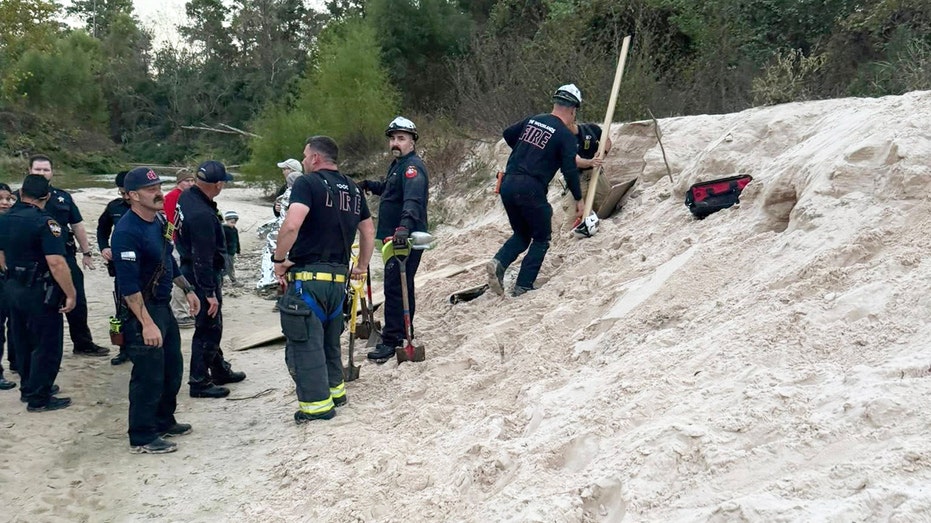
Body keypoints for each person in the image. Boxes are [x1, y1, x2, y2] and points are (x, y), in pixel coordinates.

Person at [273, 136, 374, 423]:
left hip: (308, 280)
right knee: (330, 342)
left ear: (316, 158)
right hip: (338, 283)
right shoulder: (353, 189)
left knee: (306, 346)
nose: (304, 161)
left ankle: (316, 408)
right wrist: (362, 266)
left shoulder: (307, 184)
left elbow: (291, 225)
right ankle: (336, 393)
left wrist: (279, 261)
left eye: (305, 156)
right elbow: (368, 231)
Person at [112, 167, 201, 454]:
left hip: (162, 306)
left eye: (159, 187)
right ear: (133, 195)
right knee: (148, 375)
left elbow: (168, 262)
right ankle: (142, 436)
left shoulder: (159, 220)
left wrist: (187, 289)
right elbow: (128, 286)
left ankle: (164, 420)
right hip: (141, 311)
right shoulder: (126, 232)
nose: (158, 193)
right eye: (151, 189)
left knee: (172, 368)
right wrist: (146, 323)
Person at [486, 84, 584, 297]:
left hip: (507, 183)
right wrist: (579, 198)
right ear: (573, 109)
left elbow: (508, 134)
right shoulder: (565, 135)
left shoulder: (533, 120)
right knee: (542, 237)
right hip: (531, 187)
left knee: (522, 234)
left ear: (555, 103)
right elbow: (569, 170)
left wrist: (528, 150)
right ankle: (523, 285)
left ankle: (498, 262)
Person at [0, 175, 76, 411]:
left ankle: (28, 388)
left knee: (22, 340)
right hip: (39, 289)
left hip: (13, 286)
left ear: (21, 193)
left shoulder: (5, 218)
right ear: (47, 196)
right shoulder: (46, 223)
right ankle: (39, 397)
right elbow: (56, 263)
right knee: (46, 344)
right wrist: (70, 293)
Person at [358, 117, 429, 364]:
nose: (395, 143)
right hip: (394, 237)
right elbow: (391, 190)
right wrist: (369, 185)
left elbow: (413, 200)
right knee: (399, 285)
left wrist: (403, 228)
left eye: (401, 138)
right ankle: (402, 332)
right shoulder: (398, 165)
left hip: (403, 238)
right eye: (392, 138)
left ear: (412, 141)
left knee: (396, 287)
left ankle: (392, 340)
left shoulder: (412, 168)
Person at [175, 160, 246, 398]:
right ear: (217, 184)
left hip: (191, 266)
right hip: (201, 273)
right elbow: (202, 257)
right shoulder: (201, 214)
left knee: (212, 324)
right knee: (208, 327)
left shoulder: (188, 196)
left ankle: (218, 368)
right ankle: (199, 381)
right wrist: (209, 293)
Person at [27, 154, 110, 356]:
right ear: (29, 171)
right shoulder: (18, 197)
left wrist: (87, 252)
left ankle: (82, 343)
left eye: (45, 170)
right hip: (33, 259)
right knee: (35, 305)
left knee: (77, 300)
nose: (42, 173)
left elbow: (77, 225)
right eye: (37, 169)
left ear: (52, 172)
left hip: (65, 255)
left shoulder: (63, 197)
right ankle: (31, 349)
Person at [97, 171, 133, 365]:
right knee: (121, 310)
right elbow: (102, 229)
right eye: (122, 192)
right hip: (121, 267)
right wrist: (104, 247)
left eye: (128, 192)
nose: (126, 197)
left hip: (147, 267)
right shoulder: (114, 207)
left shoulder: (151, 206)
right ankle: (123, 349)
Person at [163, 170, 196, 328]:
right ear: (178, 182)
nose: (190, 183)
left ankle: (187, 308)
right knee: (180, 275)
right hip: (176, 241)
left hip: (188, 241)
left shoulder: (190, 196)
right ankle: (179, 312)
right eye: (186, 180)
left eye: (192, 180)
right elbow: (169, 220)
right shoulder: (172, 196)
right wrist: (170, 239)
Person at [568, 120, 612, 222]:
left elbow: (607, 141)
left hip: (597, 174)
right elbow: (576, 160)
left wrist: (603, 153)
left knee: (606, 208)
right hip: (577, 178)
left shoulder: (591, 129)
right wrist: (590, 162)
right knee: (573, 215)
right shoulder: (563, 138)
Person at [0, 182, 17, 390]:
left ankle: (17, 362)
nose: (5, 203)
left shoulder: (13, 222)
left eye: (8, 199)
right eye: (0, 199)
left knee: (16, 323)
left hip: (11, 281)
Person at [222, 210, 240, 285]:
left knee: (230, 266)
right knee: (227, 267)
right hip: (225, 252)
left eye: (234, 222)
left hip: (232, 252)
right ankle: (233, 280)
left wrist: (238, 250)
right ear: (227, 220)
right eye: (231, 222)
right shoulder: (223, 229)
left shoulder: (235, 230)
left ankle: (229, 279)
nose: (233, 224)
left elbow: (237, 240)